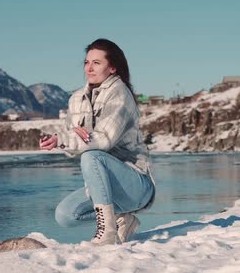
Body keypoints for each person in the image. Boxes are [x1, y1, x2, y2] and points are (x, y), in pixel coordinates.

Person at [40, 38, 155, 246]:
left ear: (112, 68)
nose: (89, 68)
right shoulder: (76, 99)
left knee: (91, 155)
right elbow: (74, 146)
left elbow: (103, 140)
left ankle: (107, 232)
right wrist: (59, 141)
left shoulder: (120, 94)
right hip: (103, 185)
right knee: (65, 215)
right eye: (86, 62)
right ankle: (123, 220)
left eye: (96, 63)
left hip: (135, 184)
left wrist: (71, 138)